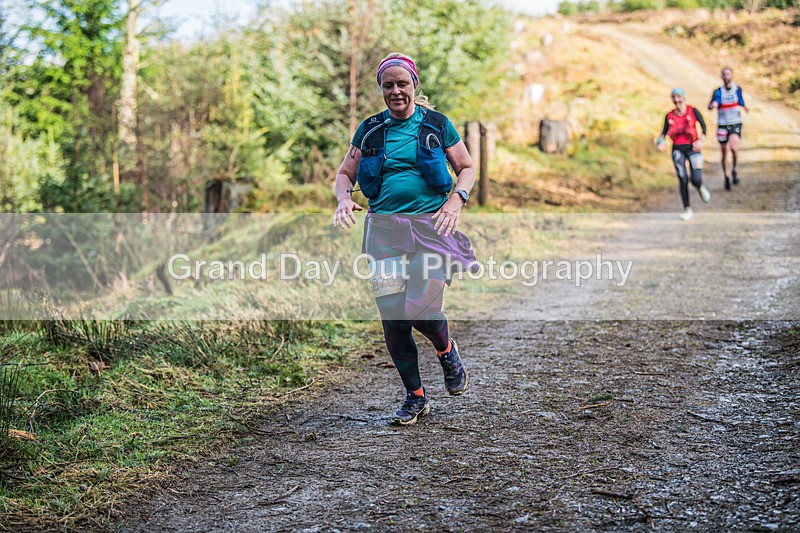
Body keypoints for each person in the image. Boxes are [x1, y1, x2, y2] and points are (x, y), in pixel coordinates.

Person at [332, 53, 476, 426]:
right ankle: (415, 397)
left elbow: (466, 168)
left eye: (402, 84)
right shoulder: (369, 129)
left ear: (414, 85)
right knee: (394, 321)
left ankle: (446, 350)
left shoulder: (437, 124)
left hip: (431, 231)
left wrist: (456, 202)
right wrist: (344, 199)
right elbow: (345, 174)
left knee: (420, 309)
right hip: (383, 234)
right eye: (388, 85)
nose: (396, 91)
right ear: (381, 89)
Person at [657, 88, 712, 221]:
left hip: (693, 148)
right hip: (677, 149)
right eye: (674, 97)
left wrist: (701, 140)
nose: (676, 100)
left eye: (679, 97)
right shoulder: (669, 116)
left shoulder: (693, 111)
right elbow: (663, 134)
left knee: (695, 179)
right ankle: (687, 208)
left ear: (683, 97)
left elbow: (704, 127)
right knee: (682, 178)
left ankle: (700, 187)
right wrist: (661, 143)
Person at [708, 67, 749, 190]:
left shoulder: (737, 89)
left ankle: (735, 170)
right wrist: (713, 104)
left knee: (734, 148)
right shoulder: (717, 92)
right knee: (724, 152)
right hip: (722, 124)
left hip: (735, 123)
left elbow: (741, 101)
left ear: (731, 76)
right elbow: (710, 105)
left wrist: (745, 107)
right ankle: (726, 175)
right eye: (724, 75)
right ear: (721, 77)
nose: (726, 77)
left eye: (728, 74)